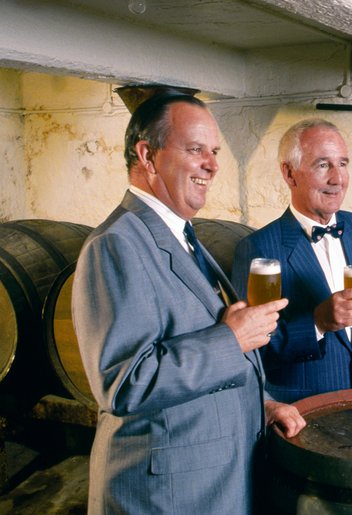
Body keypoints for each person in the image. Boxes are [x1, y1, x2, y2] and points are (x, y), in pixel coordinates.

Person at [72, 91, 305, 514]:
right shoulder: (117, 244)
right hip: (164, 495)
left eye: (214, 151)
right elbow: (125, 383)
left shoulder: (182, 236)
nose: (213, 164)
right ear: (147, 155)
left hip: (209, 483)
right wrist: (230, 340)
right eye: (195, 149)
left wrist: (262, 404)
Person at [231, 118, 352, 403]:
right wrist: (318, 322)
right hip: (307, 409)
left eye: (343, 164)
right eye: (323, 165)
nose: (337, 179)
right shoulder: (257, 247)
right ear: (289, 174)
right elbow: (252, 351)